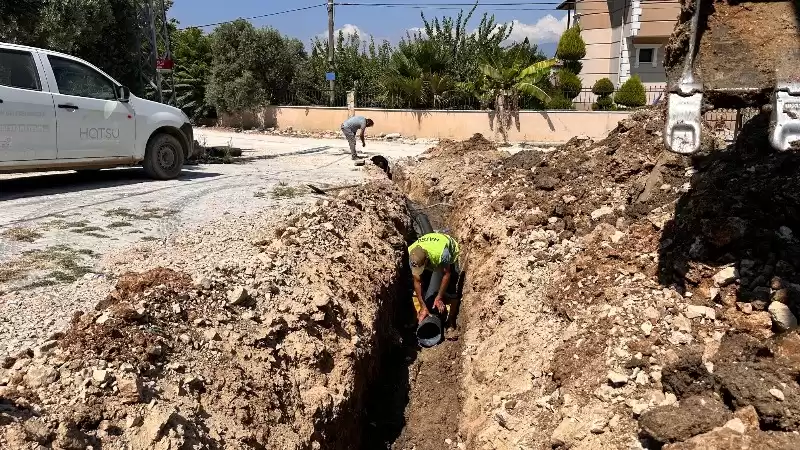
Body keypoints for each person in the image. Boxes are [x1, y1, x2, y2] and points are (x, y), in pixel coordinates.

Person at [408, 232, 460, 323]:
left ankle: (451, 321)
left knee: (452, 289)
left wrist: (439, 297)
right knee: (424, 283)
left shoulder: (442, 254)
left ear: (427, 259)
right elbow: (417, 280)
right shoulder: (413, 254)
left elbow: (446, 274)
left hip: (446, 245)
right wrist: (423, 306)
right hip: (429, 246)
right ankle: (419, 315)